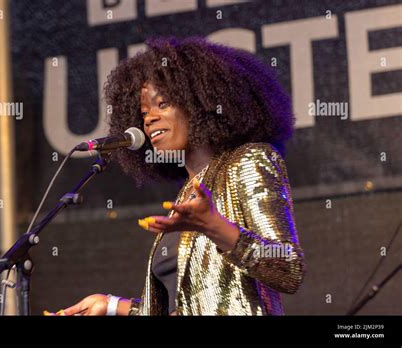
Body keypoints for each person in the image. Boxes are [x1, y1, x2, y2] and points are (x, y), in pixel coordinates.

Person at [57, 37, 305, 316]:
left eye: (162, 104)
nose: (149, 119)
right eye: (143, 113)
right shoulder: (187, 193)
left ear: (200, 103)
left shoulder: (248, 161)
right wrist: (112, 306)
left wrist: (216, 227)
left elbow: (289, 267)